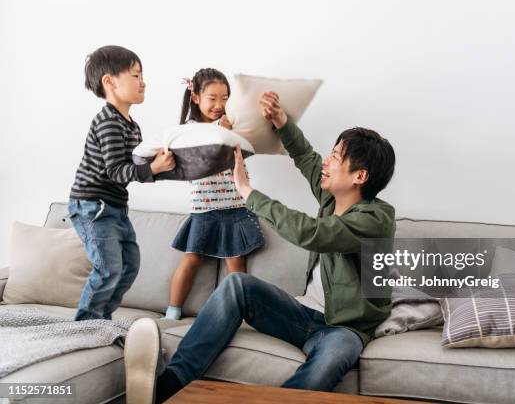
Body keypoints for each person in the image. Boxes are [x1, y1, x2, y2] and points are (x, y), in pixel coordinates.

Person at [124, 91, 396, 404]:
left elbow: (315, 234)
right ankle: (165, 388)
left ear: (359, 176)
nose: (326, 161)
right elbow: (306, 157)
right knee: (237, 285)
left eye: (335, 157)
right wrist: (282, 123)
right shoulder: (331, 198)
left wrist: (246, 191)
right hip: (302, 315)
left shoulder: (377, 219)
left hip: (344, 330)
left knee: (332, 360)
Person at [68, 45, 175, 321]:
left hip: (114, 207)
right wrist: (152, 168)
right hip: (92, 205)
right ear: (110, 81)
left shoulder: (131, 125)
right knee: (108, 268)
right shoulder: (107, 122)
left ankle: (101, 319)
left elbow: (136, 169)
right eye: (136, 75)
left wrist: (161, 166)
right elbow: (117, 170)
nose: (144, 82)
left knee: (129, 265)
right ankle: (85, 326)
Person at [162, 68, 265, 321]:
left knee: (236, 266)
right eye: (213, 98)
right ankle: (172, 312)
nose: (220, 105)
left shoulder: (234, 123)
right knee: (192, 259)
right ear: (196, 97)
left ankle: (234, 316)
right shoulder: (190, 129)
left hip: (235, 205)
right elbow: (205, 147)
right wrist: (223, 128)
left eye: (225, 98)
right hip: (204, 208)